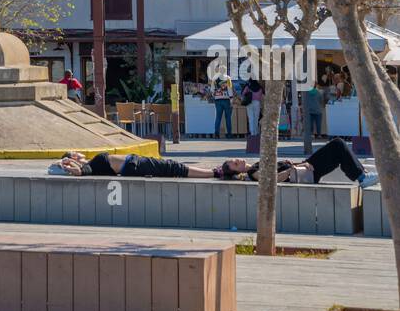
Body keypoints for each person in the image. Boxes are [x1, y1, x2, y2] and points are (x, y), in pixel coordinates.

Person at [215, 138, 379, 187]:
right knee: (338, 145)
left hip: (303, 168)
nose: (237, 160)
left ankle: (362, 176)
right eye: (235, 164)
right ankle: (362, 178)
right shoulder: (253, 173)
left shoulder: (256, 165)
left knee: (339, 148)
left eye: (234, 159)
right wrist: (295, 167)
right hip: (300, 174)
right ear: (239, 172)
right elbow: (272, 180)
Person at [55, 151, 218, 179]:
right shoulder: (89, 165)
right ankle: (213, 173)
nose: (77, 151)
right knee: (173, 168)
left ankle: (212, 172)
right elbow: (85, 171)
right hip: (133, 166)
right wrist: (77, 170)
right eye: (73, 153)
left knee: (172, 168)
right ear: (73, 157)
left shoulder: (90, 162)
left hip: (134, 163)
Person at [210, 71, 234, 138]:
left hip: (218, 100)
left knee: (218, 117)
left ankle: (216, 134)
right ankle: (229, 134)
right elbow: (229, 89)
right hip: (226, 100)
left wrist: (215, 95)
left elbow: (212, 90)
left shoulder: (214, 78)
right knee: (228, 118)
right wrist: (231, 99)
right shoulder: (228, 78)